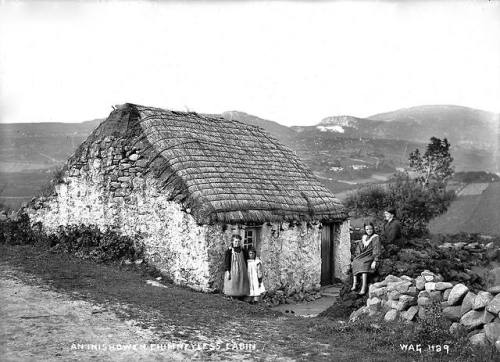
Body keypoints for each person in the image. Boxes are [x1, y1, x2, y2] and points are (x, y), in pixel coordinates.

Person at [351, 222, 381, 295]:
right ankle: (355, 283)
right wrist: (358, 254)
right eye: (367, 229)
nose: (369, 231)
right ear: (365, 230)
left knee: (363, 264)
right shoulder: (364, 237)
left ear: (373, 229)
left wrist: (375, 260)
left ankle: (363, 287)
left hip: (370, 255)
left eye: (371, 229)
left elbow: (376, 249)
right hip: (363, 255)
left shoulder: (375, 237)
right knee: (355, 261)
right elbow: (359, 247)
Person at [223, 234, 250, 298]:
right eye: (235, 241)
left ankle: (241, 295)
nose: (237, 243)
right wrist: (227, 270)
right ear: (232, 241)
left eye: (238, 241)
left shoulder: (243, 250)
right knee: (233, 281)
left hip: (242, 268)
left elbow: (247, 258)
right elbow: (227, 261)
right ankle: (232, 295)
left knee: (241, 281)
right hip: (233, 268)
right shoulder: (229, 251)